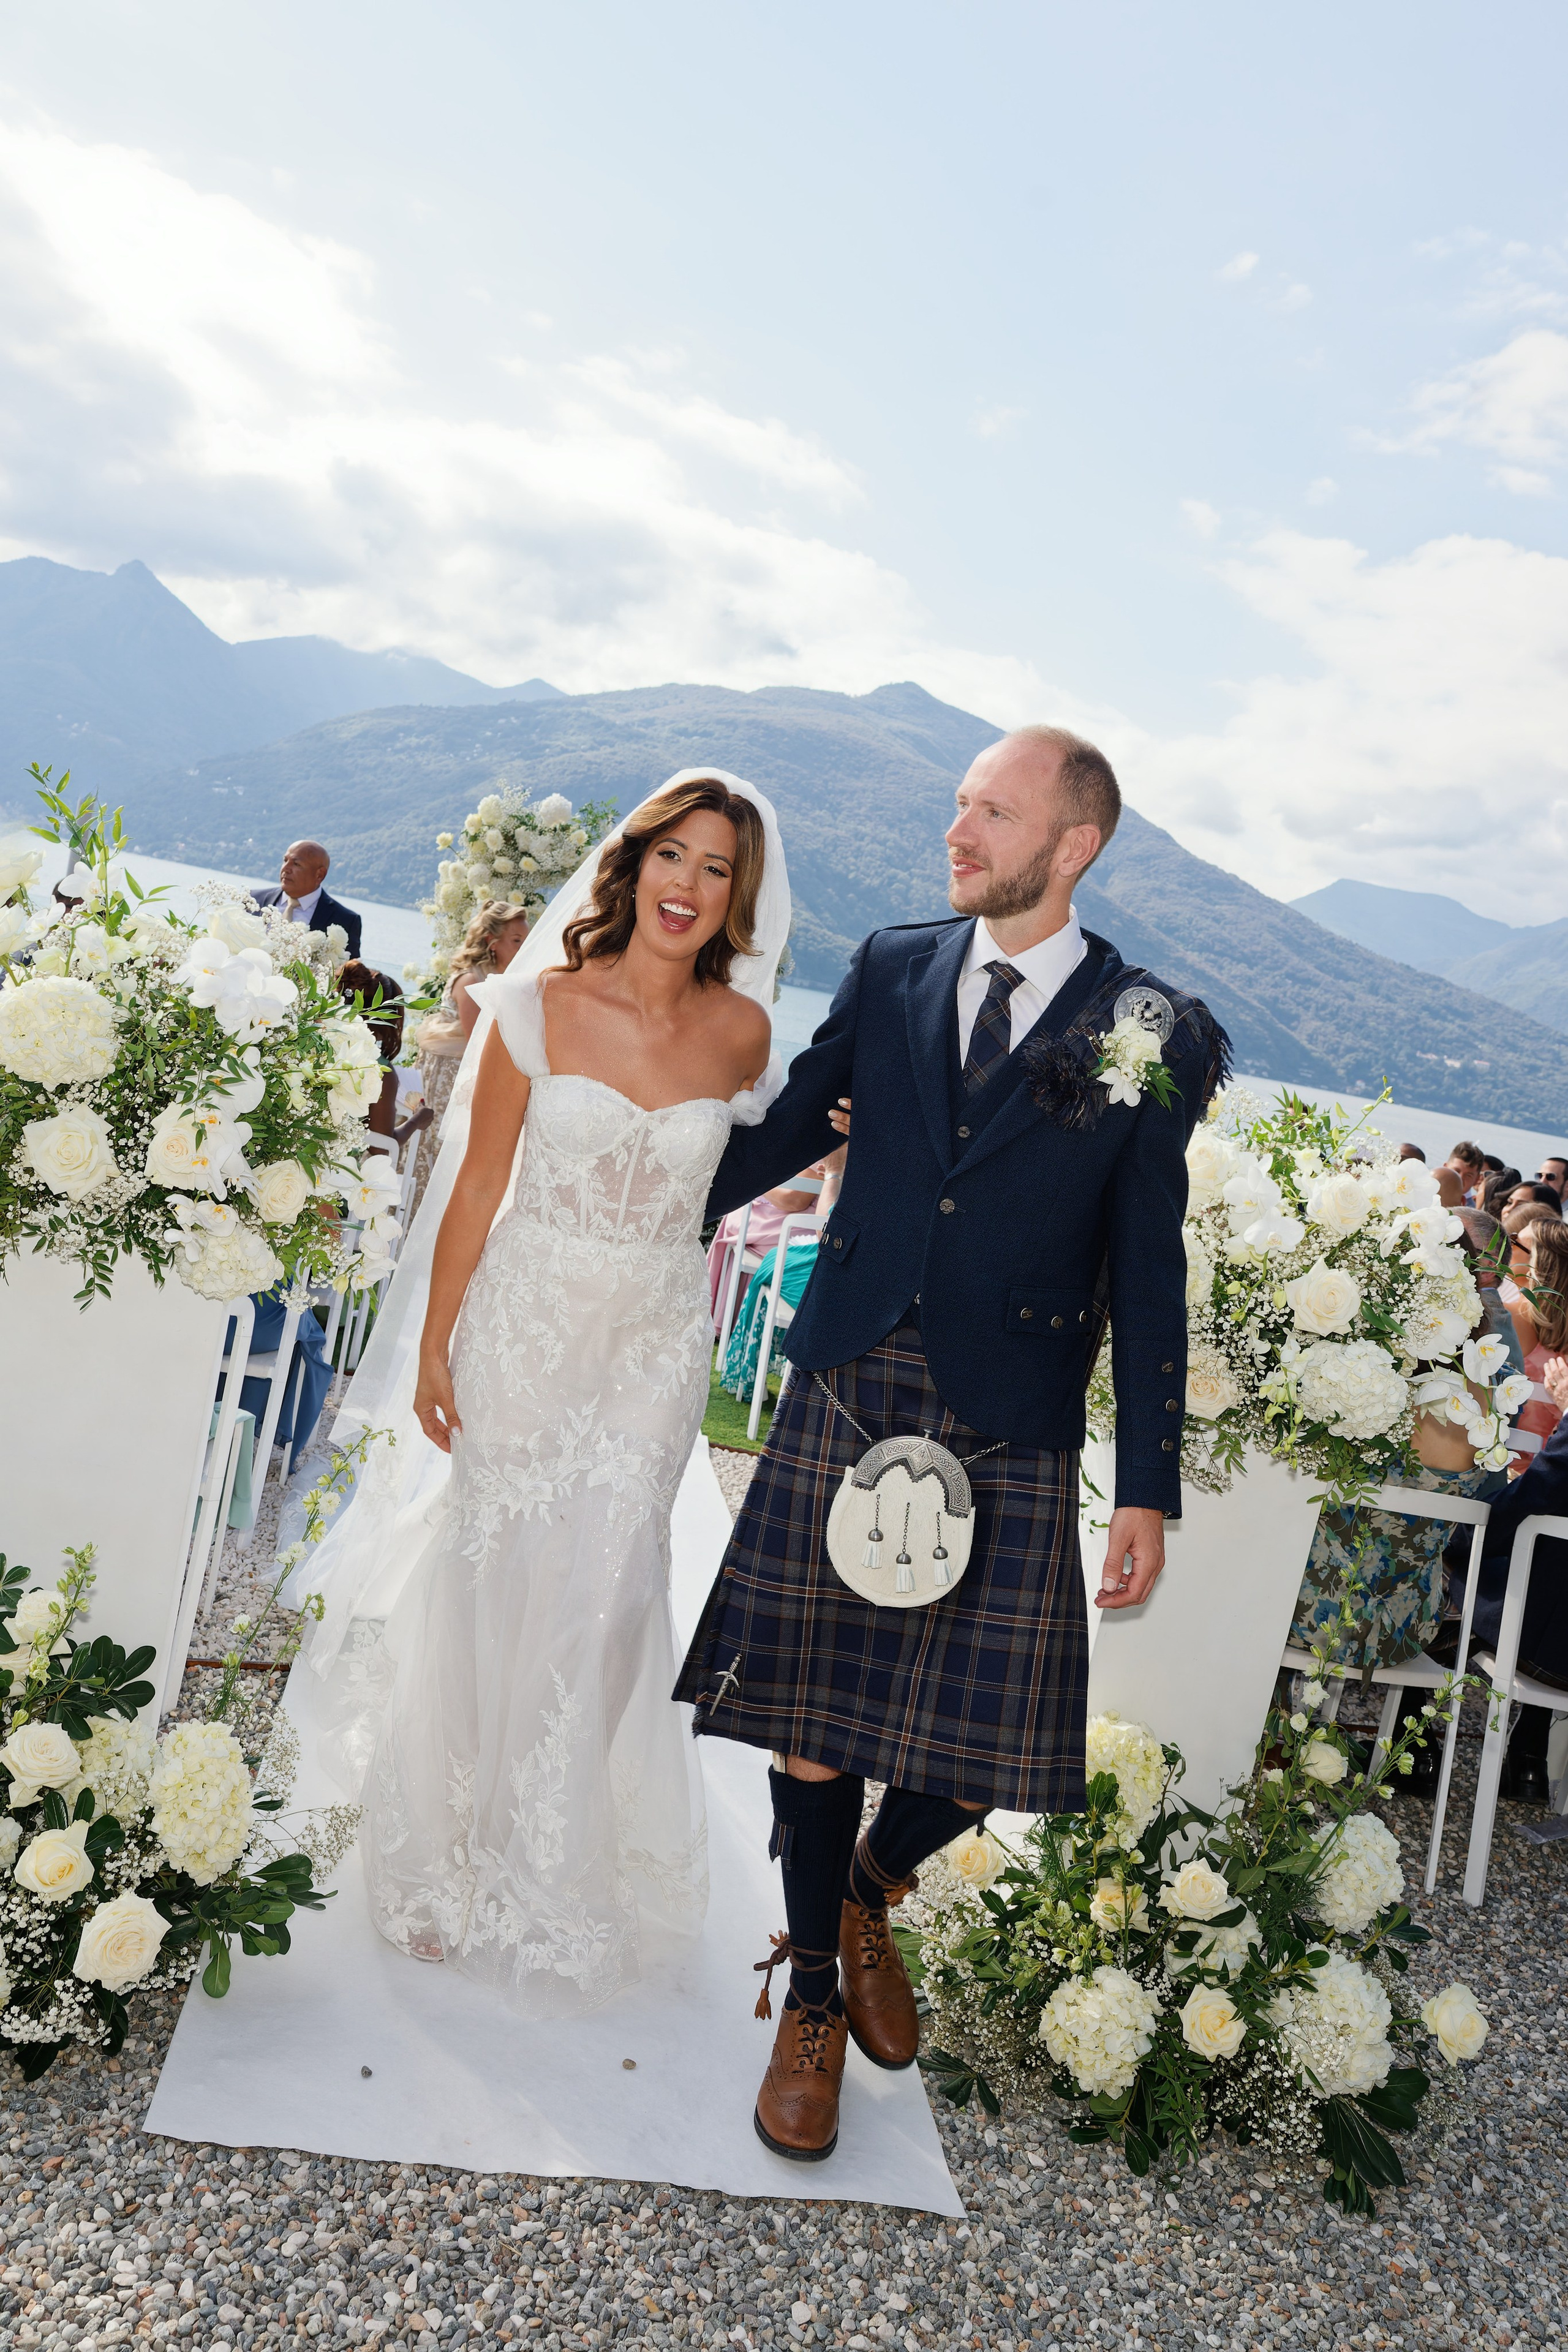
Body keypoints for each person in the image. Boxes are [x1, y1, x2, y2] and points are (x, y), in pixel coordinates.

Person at [673, 723, 1227, 2162]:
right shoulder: (897, 958)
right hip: (855, 1367)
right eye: (960, 803)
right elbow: (795, 1117)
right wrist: (632, 1201)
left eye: (990, 810)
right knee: (809, 1714)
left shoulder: (1148, 1026)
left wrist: (1147, 1487)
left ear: (1071, 844)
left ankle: (863, 1883)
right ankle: (807, 1990)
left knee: (988, 1743)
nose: (956, 829)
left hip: (1012, 1409)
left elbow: (1147, 1263)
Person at [320, 772, 792, 2016]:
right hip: (524, 1323)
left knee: (608, 1590)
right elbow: (475, 1188)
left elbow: (766, 1169)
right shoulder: (531, 1005)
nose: (689, 886)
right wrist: (435, 1343)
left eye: (716, 870)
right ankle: (447, 1854)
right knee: (493, 1572)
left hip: (649, 1342)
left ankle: (559, 1872)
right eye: (673, 858)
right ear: (630, 868)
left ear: (737, 898)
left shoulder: (744, 1036)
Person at [406, 902, 530, 1223]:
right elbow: (479, 1041)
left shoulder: (508, 980)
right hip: (449, 1077)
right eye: (516, 939)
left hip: (473, 1075)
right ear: (492, 942)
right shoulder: (470, 980)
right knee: (437, 1148)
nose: (524, 945)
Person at [251, 839, 363, 960]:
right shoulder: (253, 900)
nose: (286, 869)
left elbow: (350, 974)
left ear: (320, 874)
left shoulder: (346, 920)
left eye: (296, 864)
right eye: (285, 860)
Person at [337, 959, 405, 1139]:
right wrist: (417, 1121)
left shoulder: (320, 1040)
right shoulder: (382, 1071)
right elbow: (380, 1147)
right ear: (388, 1020)